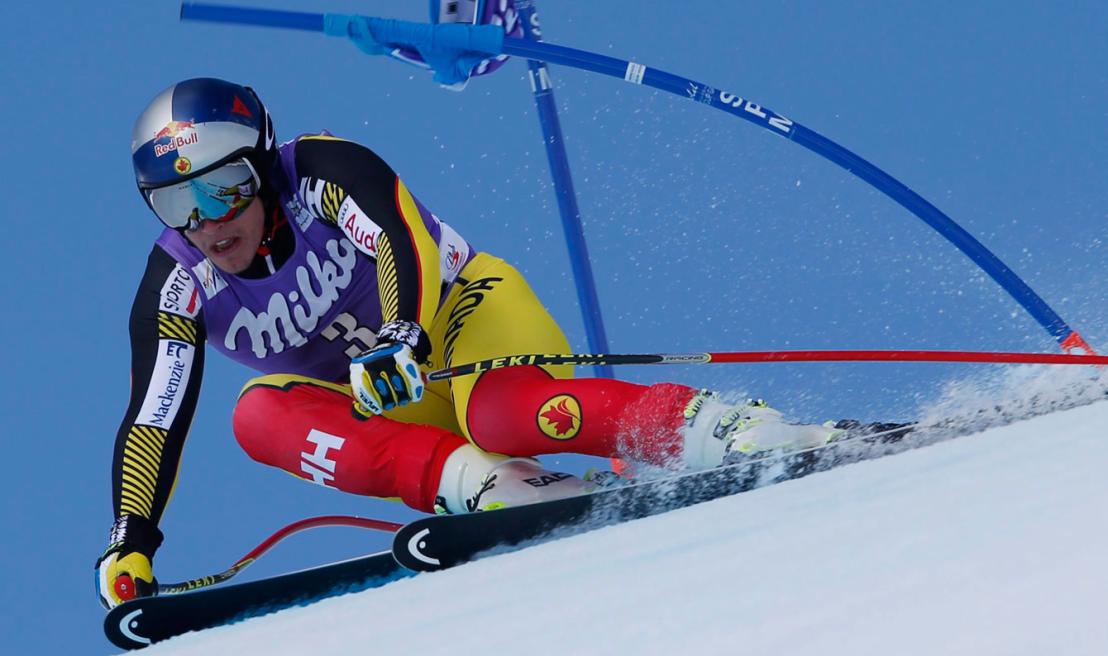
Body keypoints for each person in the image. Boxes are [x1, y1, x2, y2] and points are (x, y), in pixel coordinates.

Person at [96, 78, 841, 609]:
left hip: (460, 325)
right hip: (389, 398)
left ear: (261, 167)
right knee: (255, 415)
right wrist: (132, 537)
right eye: (176, 204)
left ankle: (731, 430)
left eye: (223, 190)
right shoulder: (178, 279)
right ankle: (490, 488)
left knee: (504, 414)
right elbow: (154, 415)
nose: (207, 223)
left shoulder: (319, 169)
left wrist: (400, 334)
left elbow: (401, 238)